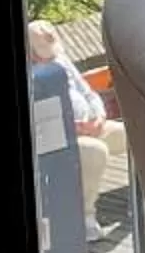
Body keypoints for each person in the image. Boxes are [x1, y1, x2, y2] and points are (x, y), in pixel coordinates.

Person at [26, 18, 124, 235]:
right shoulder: (32, 78)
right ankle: (85, 216)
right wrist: (73, 128)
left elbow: (88, 92)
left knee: (133, 135)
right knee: (95, 152)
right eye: (43, 52)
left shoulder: (60, 59)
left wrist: (99, 116)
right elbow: (41, 122)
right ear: (30, 53)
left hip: (91, 125)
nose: (51, 55)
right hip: (61, 139)